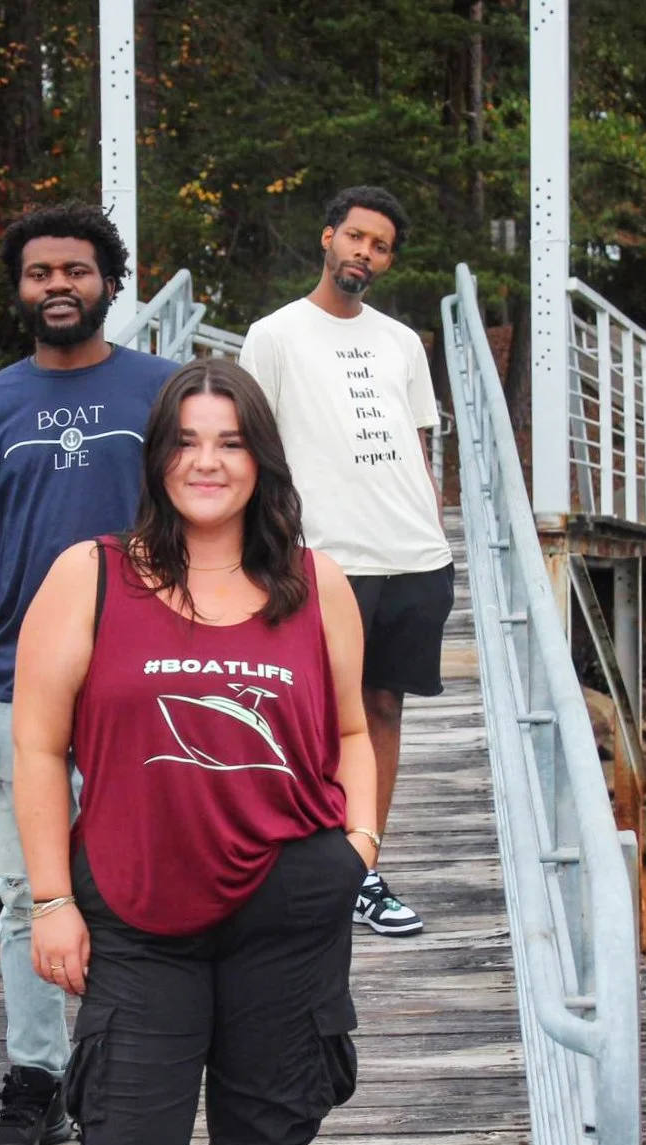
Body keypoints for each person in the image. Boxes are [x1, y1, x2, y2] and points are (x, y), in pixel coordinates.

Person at [12, 358, 379, 1145]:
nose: (206, 461)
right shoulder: (91, 574)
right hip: (134, 915)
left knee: (267, 1142)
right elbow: (35, 745)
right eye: (185, 440)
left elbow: (354, 728)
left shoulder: (314, 583)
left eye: (229, 441)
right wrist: (49, 897)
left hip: (287, 911)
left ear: (260, 458)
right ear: (156, 457)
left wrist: (358, 847)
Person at [0, 201, 179, 1145]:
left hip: (143, 675)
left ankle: (121, 1076)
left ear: (110, 283)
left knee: (142, 884)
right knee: (25, 892)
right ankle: (35, 1082)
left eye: (75, 270)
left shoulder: (164, 392)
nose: (57, 286)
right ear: (19, 289)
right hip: (18, 683)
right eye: (39, 272)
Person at [239, 184, 453, 937]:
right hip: (322, 559)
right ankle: (296, 864)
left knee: (383, 707)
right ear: (328, 237)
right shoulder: (273, 335)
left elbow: (416, 446)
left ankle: (362, 868)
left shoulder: (402, 342)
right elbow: (253, 449)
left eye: (381, 245)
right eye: (356, 236)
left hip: (413, 555)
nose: (365, 252)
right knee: (308, 716)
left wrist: (433, 526)